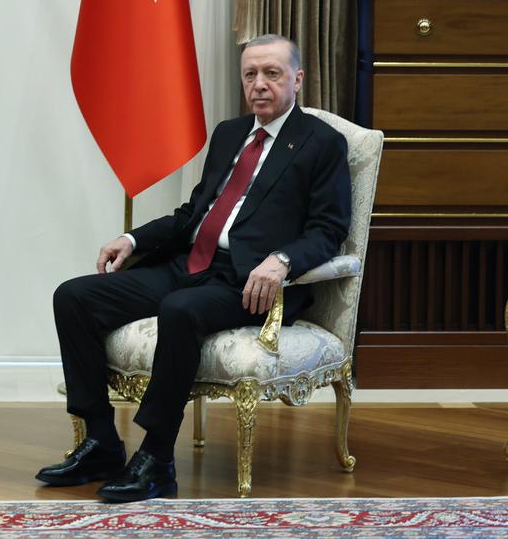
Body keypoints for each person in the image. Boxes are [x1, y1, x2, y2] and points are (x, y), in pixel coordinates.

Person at [37, 34, 350, 503]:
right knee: (74, 296)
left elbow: (328, 229)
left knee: (180, 309)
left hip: (250, 281)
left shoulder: (322, 143)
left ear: (297, 80)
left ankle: (158, 459)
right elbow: (194, 213)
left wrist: (281, 261)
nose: (259, 84)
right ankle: (100, 440)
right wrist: (133, 238)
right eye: (251, 74)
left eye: (272, 73)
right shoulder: (229, 134)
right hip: (190, 263)